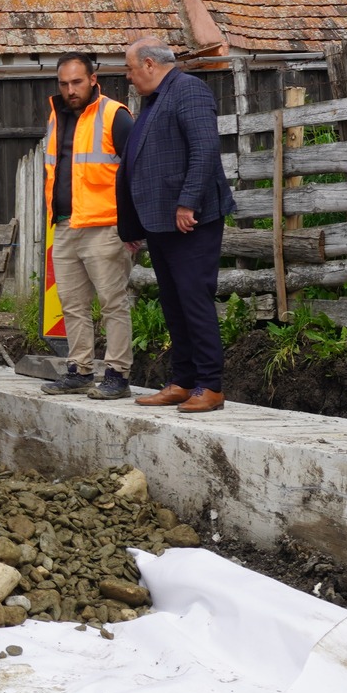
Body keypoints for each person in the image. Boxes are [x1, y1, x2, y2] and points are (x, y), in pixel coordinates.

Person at [119, 37, 234, 413]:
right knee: (173, 303)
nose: (129, 77)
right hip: (161, 222)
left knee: (193, 299)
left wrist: (187, 202)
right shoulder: (154, 100)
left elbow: (204, 149)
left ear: (150, 64)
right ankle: (183, 382)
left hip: (191, 220)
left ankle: (210, 386)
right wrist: (134, 225)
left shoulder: (189, 90)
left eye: (131, 69)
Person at [38, 52, 136, 400]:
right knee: (72, 305)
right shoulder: (57, 118)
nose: (70, 89)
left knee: (113, 302)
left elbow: (136, 172)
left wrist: (132, 228)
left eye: (77, 82)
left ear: (94, 79)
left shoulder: (115, 116)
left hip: (105, 227)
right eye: (64, 84)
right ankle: (79, 370)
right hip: (65, 226)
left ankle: (117, 374)